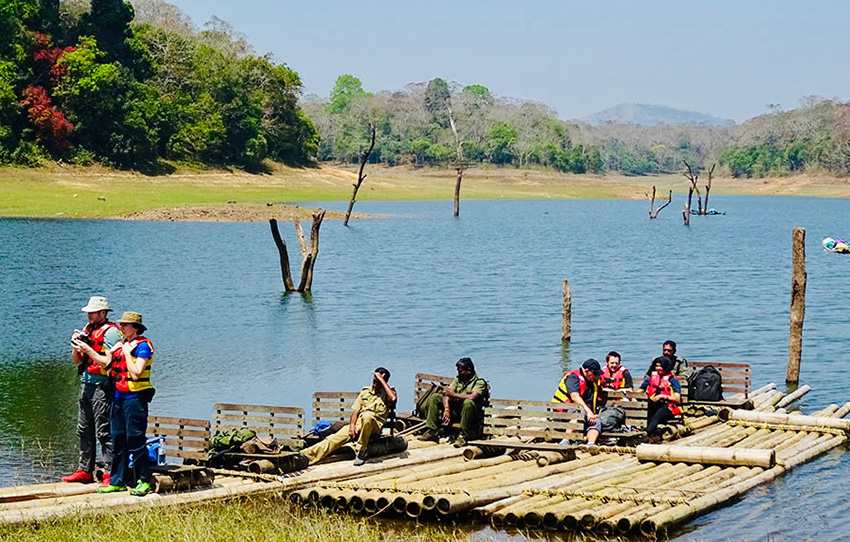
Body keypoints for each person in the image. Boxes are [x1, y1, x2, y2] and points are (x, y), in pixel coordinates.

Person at [63, 296, 122, 485]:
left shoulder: (112, 333)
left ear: (104, 313)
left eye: (94, 312)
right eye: (89, 312)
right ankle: (84, 470)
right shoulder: (87, 330)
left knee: (104, 431)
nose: (90, 315)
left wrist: (87, 349)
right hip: (86, 385)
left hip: (102, 387)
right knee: (83, 429)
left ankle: (109, 471)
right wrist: (75, 346)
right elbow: (76, 361)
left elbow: (107, 361)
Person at [97, 312, 156, 496]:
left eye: (125, 325)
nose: (121, 328)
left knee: (135, 439)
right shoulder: (121, 345)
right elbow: (106, 362)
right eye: (121, 325)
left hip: (135, 399)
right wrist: (88, 349)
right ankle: (117, 480)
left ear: (135, 328)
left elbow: (137, 371)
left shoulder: (143, 346)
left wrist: (127, 353)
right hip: (118, 397)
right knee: (118, 438)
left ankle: (143, 480)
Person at [300, 368, 396, 466]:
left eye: (378, 380)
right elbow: (355, 411)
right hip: (359, 424)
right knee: (333, 439)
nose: (375, 382)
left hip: (374, 427)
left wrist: (382, 380)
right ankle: (306, 456)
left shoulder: (388, 393)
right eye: (374, 380)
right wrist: (352, 426)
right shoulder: (365, 392)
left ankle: (361, 452)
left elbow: (392, 399)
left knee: (368, 416)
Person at [420, 357, 489, 446]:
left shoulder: (479, 382)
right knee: (435, 397)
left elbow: (472, 397)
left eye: (460, 371)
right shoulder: (458, 379)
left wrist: (454, 395)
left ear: (468, 370)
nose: (458, 373)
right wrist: (447, 409)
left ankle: (463, 435)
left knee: (468, 402)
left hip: (471, 415)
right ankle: (432, 430)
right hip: (456, 411)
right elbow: (447, 393)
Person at [551, 359, 606, 445]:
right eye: (594, 373)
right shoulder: (573, 378)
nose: (596, 376)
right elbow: (574, 396)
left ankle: (591, 444)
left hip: (584, 414)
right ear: (587, 371)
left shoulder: (592, 382)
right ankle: (565, 440)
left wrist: (592, 414)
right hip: (563, 411)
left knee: (596, 421)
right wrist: (588, 411)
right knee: (580, 412)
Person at [640, 356, 682, 437]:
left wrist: (662, 396)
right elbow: (640, 390)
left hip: (668, 407)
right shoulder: (651, 378)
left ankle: (647, 433)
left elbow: (677, 399)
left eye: (660, 366)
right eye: (656, 366)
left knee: (657, 415)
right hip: (654, 404)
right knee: (646, 409)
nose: (658, 368)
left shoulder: (673, 380)